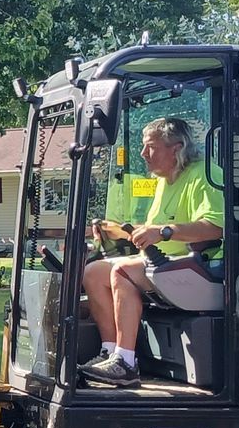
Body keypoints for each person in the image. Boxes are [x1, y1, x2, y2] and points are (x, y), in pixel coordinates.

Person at [79, 117, 223, 387]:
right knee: (94, 273)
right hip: (163, 260)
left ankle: (126, 363)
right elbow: (151, 229)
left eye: (150, 147)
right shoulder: (164, 180)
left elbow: (215, 228)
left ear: (176, 149)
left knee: (123, 272)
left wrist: (164, 231)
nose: (144, 154)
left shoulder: (203, 175)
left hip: (199, 265)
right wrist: (113, 231)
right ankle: (111, 352)